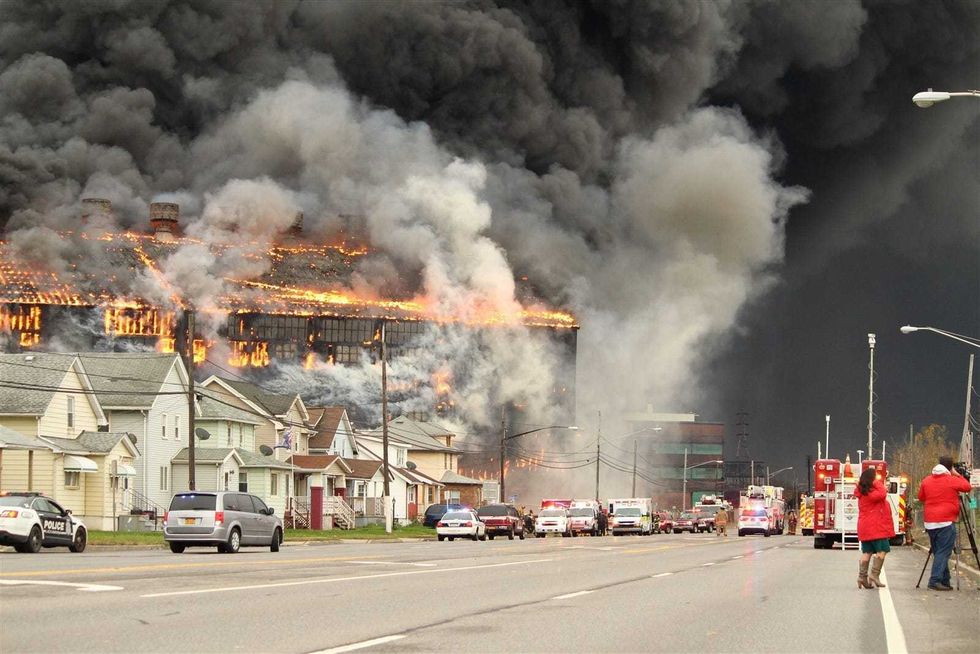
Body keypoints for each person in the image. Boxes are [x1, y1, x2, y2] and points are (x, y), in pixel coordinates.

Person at [917, 458, 972, 591]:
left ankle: (944, 580)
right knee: (943, 552)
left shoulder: (926, 480)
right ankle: (934, 581)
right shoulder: (951, 480)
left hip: (930, 522)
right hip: (945, 521)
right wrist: (958, 475)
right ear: (950, 468)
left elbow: (921, 497)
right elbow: (967, 487)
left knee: (939, 551)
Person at [854, 467, 895, 588]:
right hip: (876, 527)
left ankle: (862, 577)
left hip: (864, 527)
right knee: (882, 550)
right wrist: (876, 482)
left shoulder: (862, 493)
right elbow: (883, 493)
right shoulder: (873, 493)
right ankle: (874, 575)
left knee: (867, 552)